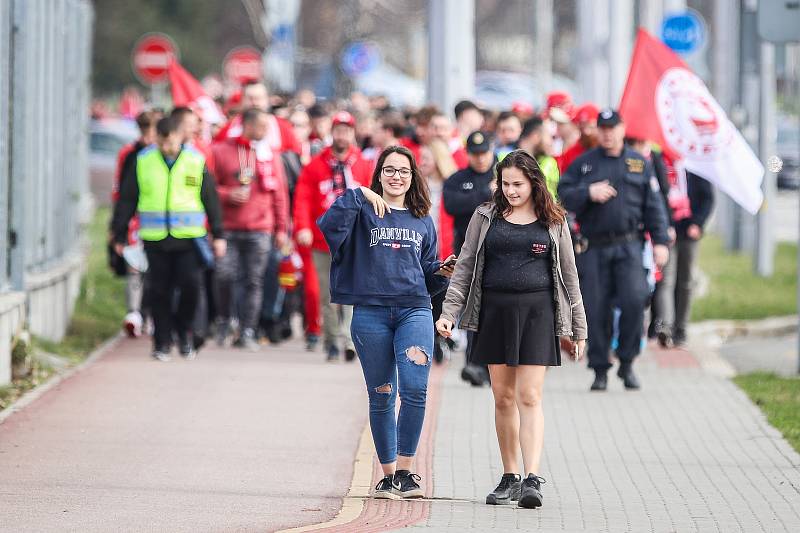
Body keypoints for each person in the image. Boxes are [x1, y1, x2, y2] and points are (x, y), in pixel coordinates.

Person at [436, 149, 587, 509]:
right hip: (494, 312)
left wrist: (578, 329)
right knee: (502, 397)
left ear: (534, 183)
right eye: (505, 184)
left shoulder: (554, 221)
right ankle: (510, 475)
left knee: (530, 396)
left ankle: (533, 478)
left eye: (517, 184)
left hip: (537, 313)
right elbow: (465, 268)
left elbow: (570, 277)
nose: (511, 191)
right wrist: (448, 314)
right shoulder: (485, 216)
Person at [318, 145, 455, 500]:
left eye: (404, 171)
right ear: (379, 175)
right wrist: (357, 193)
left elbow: (426, 271)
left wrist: (442, 271)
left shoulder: (422, 216)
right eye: (390, 170)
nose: (397, 177)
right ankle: (388, 473)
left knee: (415, 390)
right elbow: (328, 227)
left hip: (414, 311)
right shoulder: (363, 209)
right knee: (382, 395)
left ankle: (407, 472)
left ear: (413, 177)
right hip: (371, 313)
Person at [558, 109, 670, 391]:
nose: (607, 133)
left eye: (612, 127)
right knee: (596, 309)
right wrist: (588, 192)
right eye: (603, 128)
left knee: (635, 300)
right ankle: (599, 369)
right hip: (594, 247)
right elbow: (563, 194)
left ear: (622, 129)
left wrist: (660, 242)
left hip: (629, 245)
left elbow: (654, 205)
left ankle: (628, 362)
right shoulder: (584, 164)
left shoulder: (638, 163)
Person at [112, 115, 226, 361]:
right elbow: (127, 199)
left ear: (180, 137)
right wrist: (119, 232)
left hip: (189, 238)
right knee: (159, 292)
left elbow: (210, 199)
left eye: (170, 142)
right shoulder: (143, 161)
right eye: (162, 143)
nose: (166, 148)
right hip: (156, 239)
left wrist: (218, 234)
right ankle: (161, 342)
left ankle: (183, 332)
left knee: (190, 288)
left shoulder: (195, 160)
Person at [293, 111, 373, 360]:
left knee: (350, 291)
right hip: (321, 238)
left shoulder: (362, 164)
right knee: (325, 293)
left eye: (346, 130)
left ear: (352, 133)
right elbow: (303, 198)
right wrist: (303, 227)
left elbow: (373, 197)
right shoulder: (316, 164)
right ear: (332, 133)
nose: (342, 135)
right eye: (338, 130)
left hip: (352, 239)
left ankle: (349, 339)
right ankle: (330, 340)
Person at [210, 107, 290, 350]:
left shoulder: (269, 154)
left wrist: (280, 228)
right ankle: (225, 320)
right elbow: (208, 189)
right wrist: (227, 194)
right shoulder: (221, 150)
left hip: (260, 228)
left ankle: (247, 330)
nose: (266, 131)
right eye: (262, 126)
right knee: (225, 275)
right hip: (229, 228)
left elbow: (280, 194)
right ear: (248, 124)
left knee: (253, 281)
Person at [443, 131, 496, 386]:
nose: (480, 159)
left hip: (498, 252)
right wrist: (485, 193)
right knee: (473, 309)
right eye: (475, 154)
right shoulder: (457, 179)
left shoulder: (504, 176)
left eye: (484, 153)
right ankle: (473, 364)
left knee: (492, 310)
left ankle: (488, 366)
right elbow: (453, 204)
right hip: (469, 252)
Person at [111, 110, 161, 337]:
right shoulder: (130, 154)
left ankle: (150, 313)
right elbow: (120, 190)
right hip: (135, 219)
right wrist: (117, 226)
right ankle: (134, 313)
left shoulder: (167, 155)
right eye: (146, 131)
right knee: (135, 265)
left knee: (155, 270)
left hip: (159, 220)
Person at [655, 167, 714, 347]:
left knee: (686, 281)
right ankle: (666, 326)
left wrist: (698, 223)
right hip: (668, 232)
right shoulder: (663, 164)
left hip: (689, 233)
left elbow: (708, 198)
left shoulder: (697, 167)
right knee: (667, 280)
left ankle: (681, 329)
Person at [516, 117, 559, 198]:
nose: (551, 142)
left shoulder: (549, 162)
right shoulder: (505, 158)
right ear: (535, 136)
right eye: (548, 136)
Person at [557, 103, 599, 173]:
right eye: (582, 127)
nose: (586, 132)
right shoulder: (570, 154)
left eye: (591, 127)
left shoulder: (608, 151)